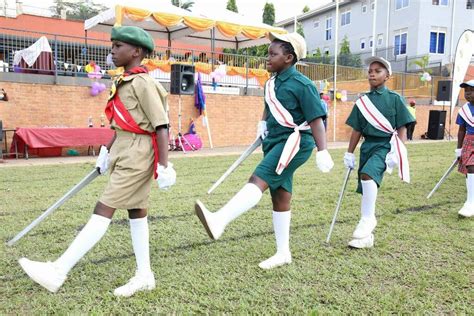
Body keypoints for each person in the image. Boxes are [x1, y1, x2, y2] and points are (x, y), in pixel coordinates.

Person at [18, 26, 177, 297]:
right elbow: (121, 126)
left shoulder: (144, 83)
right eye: (112, 45)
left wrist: (165, 165)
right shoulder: (126, 80)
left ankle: (58, 271)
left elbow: (161, 125)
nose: (111, 51)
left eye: (118, 46)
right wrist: (106, 151)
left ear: (136, 51)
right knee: (137, 212)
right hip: (125, 149)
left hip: (138, 155)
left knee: (104, 208)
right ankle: (145, 275)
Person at [194, 32, 334, 270]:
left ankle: (220, 220)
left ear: (289, 57)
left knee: (258, 179)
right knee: (280, 196)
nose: (266, 59)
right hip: (274, 141)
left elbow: (316, 119)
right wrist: (262, 124)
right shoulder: (271, 83)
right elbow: (269, 108)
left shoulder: (303, 85)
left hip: (295, 142)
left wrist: (323, 150)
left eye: (273, 54)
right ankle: (283, 253)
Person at [343, 56, 415, 249]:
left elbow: (402, 127)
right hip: (367, 146)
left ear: (387, 76)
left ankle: (368, 219)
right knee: (367, 183)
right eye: (370, 71)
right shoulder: (363, 101)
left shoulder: (394, 99)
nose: (372, 74)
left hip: (385, 145)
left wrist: (398, 150)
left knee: (368, 174)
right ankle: (366, 238)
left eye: (378, 71)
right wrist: (349, 153)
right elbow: (357, 129)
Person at [454, 79, 474, 218]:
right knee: (470, 168)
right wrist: (459, 149)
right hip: (469, 141)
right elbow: (461, 130)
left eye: (471, 91)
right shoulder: (464, 110)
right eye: (466, 91)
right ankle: (470, 202)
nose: (468, 94)